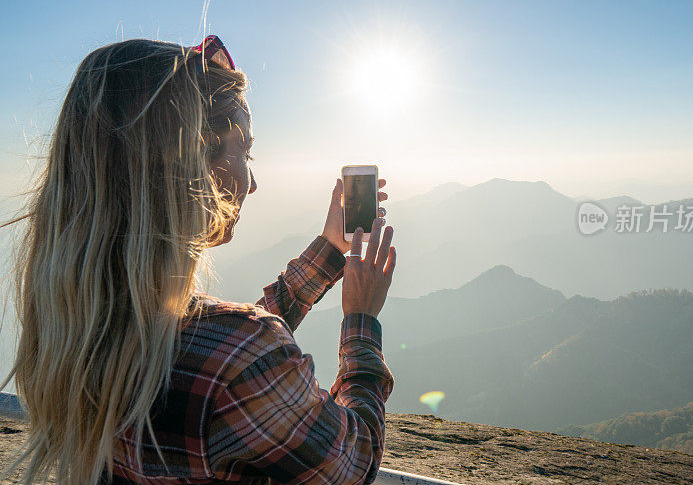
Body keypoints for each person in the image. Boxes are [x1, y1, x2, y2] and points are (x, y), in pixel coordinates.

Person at [0, 35, 397, 484]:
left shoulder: (77, 325)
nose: (251, 183)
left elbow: (218, 354)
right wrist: (361, 320)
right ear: (189, 163)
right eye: (243, 149)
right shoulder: (239, 356)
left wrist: (328, 251)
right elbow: (353, 462)